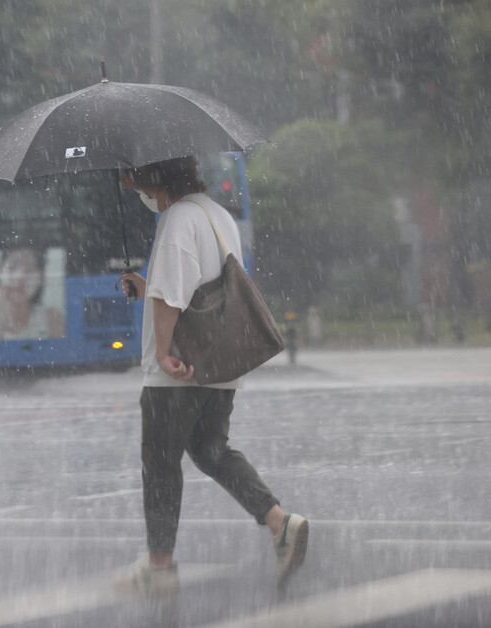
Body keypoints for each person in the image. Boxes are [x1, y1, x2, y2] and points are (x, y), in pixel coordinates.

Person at [114, 156, 308, 595]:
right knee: (210, 450)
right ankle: (280, 523)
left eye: (137, 187)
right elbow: (198, 288)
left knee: (160, 463)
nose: (140, 196)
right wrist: (146, 287)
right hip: (217, 365)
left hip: (177, 372)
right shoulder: (216, 214)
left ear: (154, 183)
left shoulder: (177, 218)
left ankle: (159, 568)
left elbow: (173, 295)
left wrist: (163, 354)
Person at [0, 248, 65, 340]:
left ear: (41, 279)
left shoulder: (52, 318)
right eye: (11, 268)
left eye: (29, 270)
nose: (19, 277)